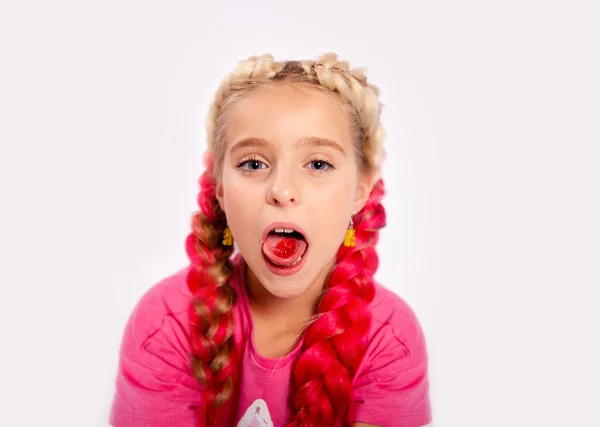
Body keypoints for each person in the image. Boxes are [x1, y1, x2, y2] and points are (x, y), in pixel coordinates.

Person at [109, 53, 432, 427]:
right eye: (254, 163)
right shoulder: (166, 323)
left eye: (318, 164)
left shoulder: (390, 339)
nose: (282, 190)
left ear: (361, 189)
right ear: (219, 189)